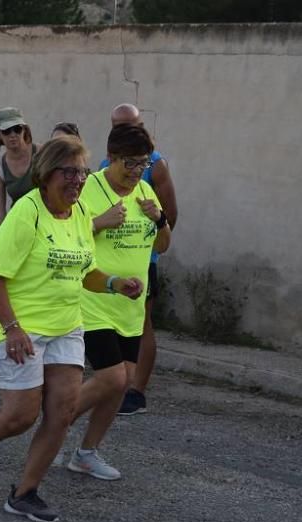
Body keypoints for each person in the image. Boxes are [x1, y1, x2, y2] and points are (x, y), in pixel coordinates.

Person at [0, 136, 143, 522]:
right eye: (69, 172)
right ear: (47, 174)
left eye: (82, 172)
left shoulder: (80, 213)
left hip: (65, 327)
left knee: (62, 412)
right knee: (20, 415)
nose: (78, 180)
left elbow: (83, 271)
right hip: (17, 325)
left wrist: (115, 283)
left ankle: (25, 492)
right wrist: (12, 328)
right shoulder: (27, 214)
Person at [64, 124, 171, 479]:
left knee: (124, 380)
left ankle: (86, 453)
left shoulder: (145, 192)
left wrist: (160, 220)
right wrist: (99, 222)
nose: (136, 172)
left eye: (143, 164)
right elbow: (64, 233)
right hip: (93, 298)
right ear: (110, 157)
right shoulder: (87, 188)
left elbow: (163, 245)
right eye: (129, 163)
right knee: (111, 377)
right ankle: (54, 424)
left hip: (130, 305)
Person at [106, 104, 179, 416]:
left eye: (129, 125)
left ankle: (136, 390)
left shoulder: (155, 165)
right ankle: (114, 383)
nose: (122, 130)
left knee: (141, 322)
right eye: (116, 125)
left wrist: (150, 242)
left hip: (142, 257)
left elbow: (170, 214)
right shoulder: (108, 160)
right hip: (112, 256)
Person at [0, 107, 37, 239]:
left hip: (47, 224)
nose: (13, 134)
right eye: (6, 131)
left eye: (17, 129)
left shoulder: (41, 154)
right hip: (20, 228)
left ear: (24, 130)